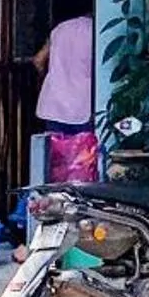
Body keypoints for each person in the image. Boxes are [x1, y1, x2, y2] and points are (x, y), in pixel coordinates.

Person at [33, 13, 98, 185]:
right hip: (82, 106)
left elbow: (38, 60)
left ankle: (52, 201)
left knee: (55, 162)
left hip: (53, 105)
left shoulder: (60, 28)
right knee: (82, 164)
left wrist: (50, 81)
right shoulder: (96, 31)